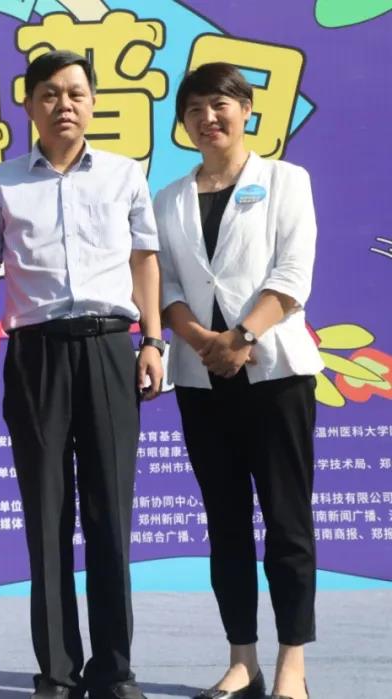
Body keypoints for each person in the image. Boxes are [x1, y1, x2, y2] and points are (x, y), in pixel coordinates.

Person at [0, 50, 164, 699]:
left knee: (110, 515)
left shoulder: (124, 174)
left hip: (109, 349)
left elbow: (144, 261)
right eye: (49, 94)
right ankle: (55, 672)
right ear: (28, 105)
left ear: (94, 102)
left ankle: (114, 669)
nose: (64, 105)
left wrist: (153, 340)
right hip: (36, 354)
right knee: (46, 517)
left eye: (76, 92)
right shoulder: (1, 182)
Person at [154, 62, 321, 699]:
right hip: (203, 379)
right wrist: (202, 341)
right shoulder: (169, 198)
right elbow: (165, 284)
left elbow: (293, 273)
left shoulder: (284, 180)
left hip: (275, 374)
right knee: (225, 523)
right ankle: (242, 659)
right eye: (195, 108)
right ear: (183, 122)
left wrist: (241, 337)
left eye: (220, 104)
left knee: (286, 522)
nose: (208, 117)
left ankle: (291, 665)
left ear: (246, 109)